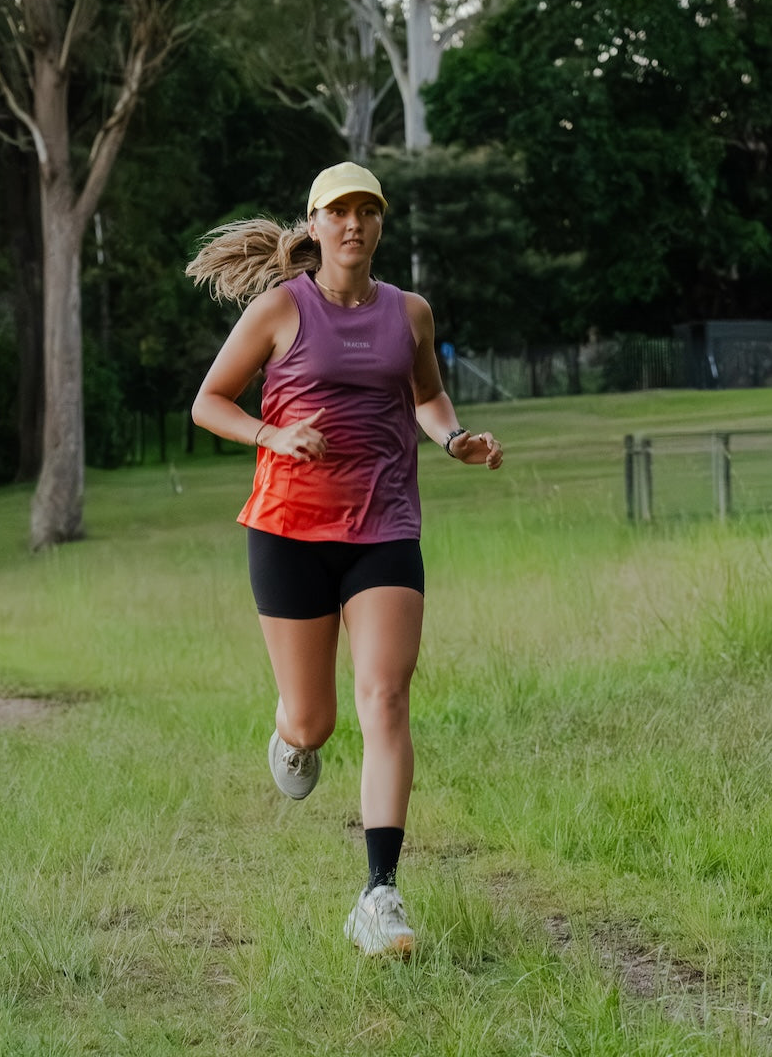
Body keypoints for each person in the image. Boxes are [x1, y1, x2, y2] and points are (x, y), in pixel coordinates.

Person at [186, 162, 503, 958]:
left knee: (386, 698)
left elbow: (427, 396)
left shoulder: (411, 313)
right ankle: (291, 734)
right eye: (339, 213)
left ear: (381, 224)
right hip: (289, 531)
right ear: (316, 224)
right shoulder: (279, 310)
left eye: (367, 212)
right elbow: (209, 401)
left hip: (385, 528)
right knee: (315, 720)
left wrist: (452, 437)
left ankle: (380, 895)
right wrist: (273, 434)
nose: (354, 225)